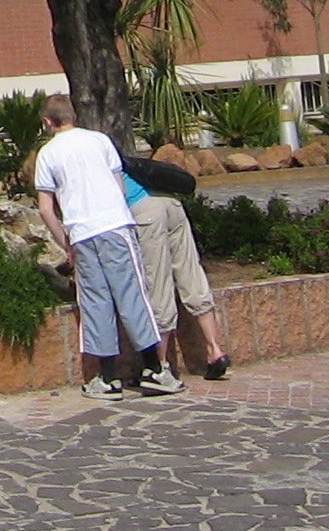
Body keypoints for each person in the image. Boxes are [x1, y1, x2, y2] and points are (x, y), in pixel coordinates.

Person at [29, 92, 180, 397]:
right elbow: (119, 184)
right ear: (74, 116)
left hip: (82, 233)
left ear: (47, 121)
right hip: (114, 227)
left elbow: (46, 208)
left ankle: (107, 377)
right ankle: (154, 368)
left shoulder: (47, 154)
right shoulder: (99, 140)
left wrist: (66, 244)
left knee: (95, 301)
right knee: (131, 293)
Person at [118, 147, 230, 380]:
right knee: (191, 272)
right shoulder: (113, 154)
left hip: (145, 212)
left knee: (157, 282)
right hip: (170, 203)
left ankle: (159, 364)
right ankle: (214, 350)